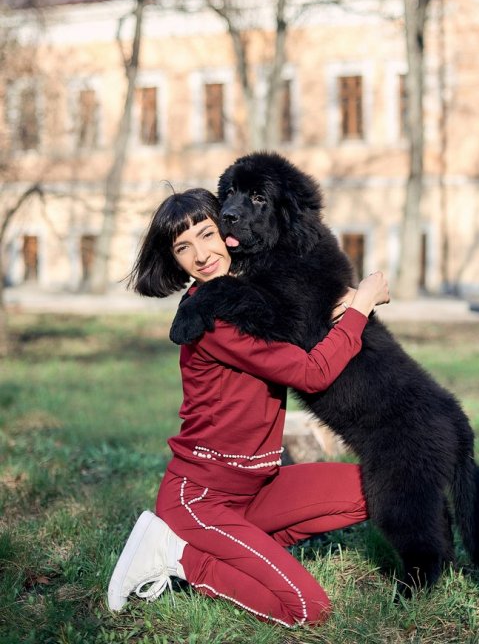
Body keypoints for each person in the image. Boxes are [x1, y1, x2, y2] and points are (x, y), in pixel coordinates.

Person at [107, 188, 390, 628]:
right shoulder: (215, 318)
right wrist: (363, 305)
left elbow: (293, 334)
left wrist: (341, 307)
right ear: (174, 260)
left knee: (379, 488)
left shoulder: (247, 294)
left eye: (207, 234)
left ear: (227, 232)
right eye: (184, 247)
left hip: (257, 486)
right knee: (308, 608)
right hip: (201, 496)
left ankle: (237, 547)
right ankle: (179, 556)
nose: (201, 255)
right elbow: (311, 373)